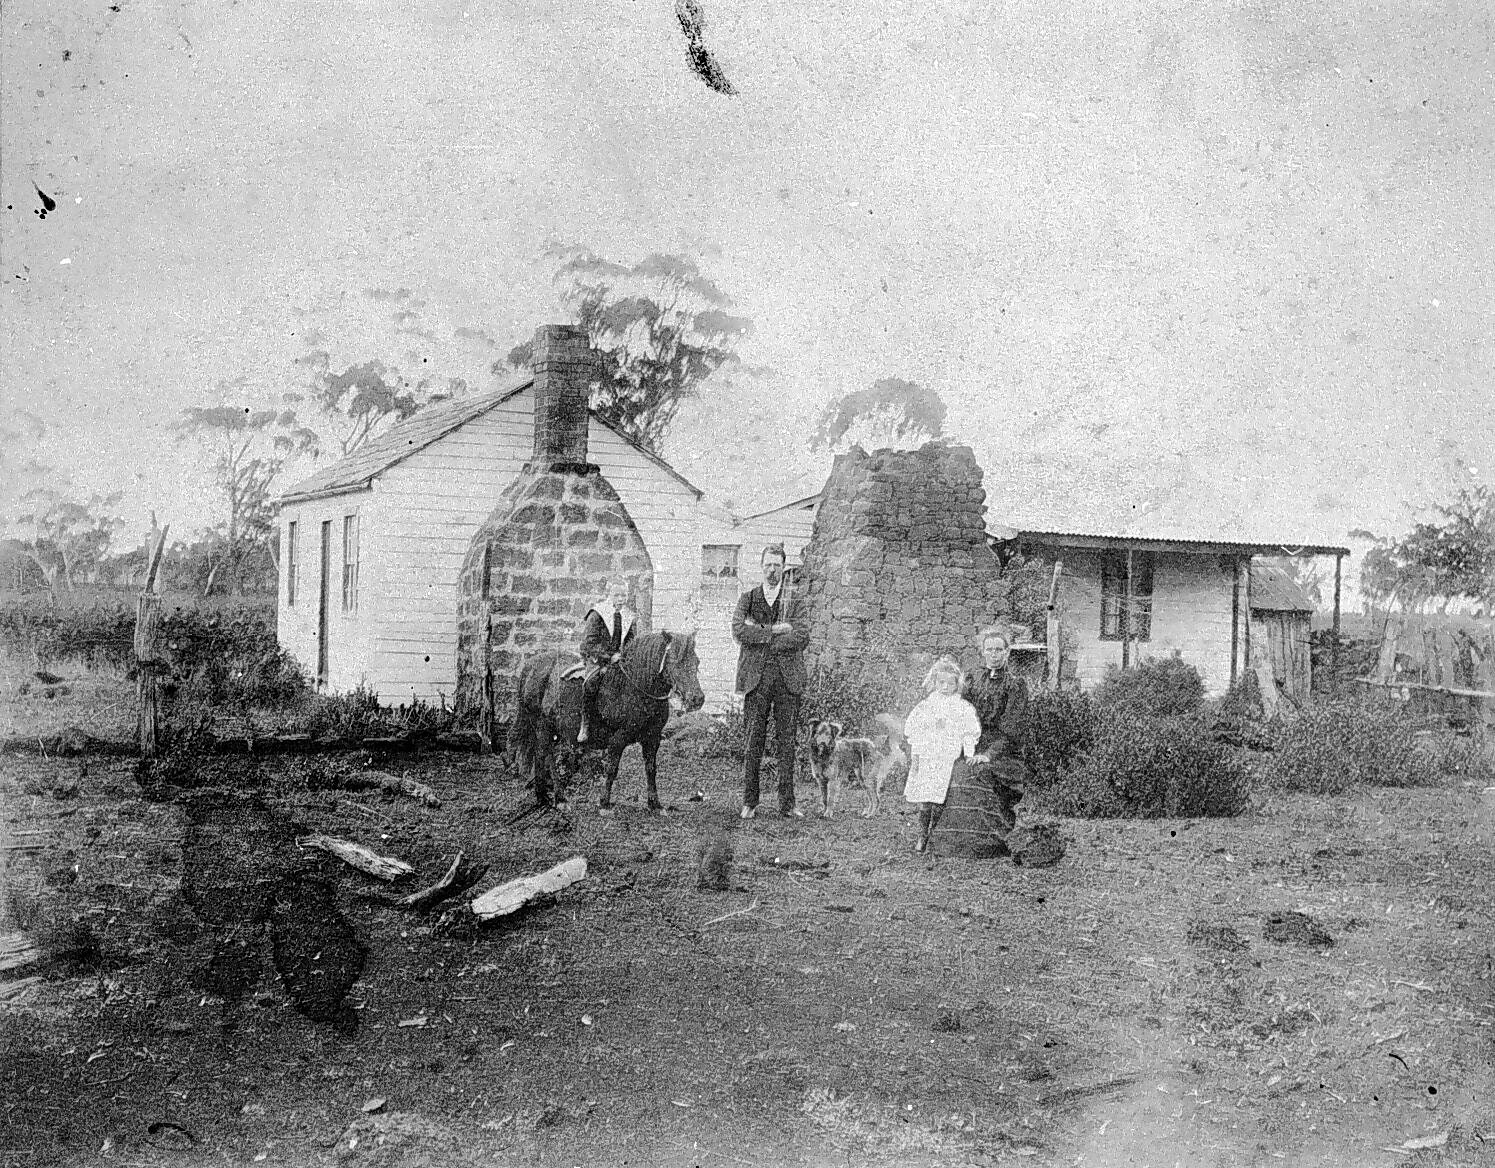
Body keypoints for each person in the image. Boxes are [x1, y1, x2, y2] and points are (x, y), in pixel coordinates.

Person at [732, 544, 809, 819]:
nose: (772, 570)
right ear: (761, 567)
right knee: (753, 740)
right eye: (768, 565)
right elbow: (739, 630)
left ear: (783, 567)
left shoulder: (794, 600)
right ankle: (750, 802)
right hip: (757, 679)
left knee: (787, 742)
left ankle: (787, 804)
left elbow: (802, 635)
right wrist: (775, 630)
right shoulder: (749, 598)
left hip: (788, 679)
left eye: (777, 565)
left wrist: (761, 636)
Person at [902, 656, 982, 853]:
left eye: (950, 683)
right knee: (925, 799)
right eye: (941, 682)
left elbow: (969, 732)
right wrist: (916, 754)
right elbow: (914, 730)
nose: (945, 687)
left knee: (940, 798)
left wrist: (969, 753)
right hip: (927, 756)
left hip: (947, 758)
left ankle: (934, 834)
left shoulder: (962, 707)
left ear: (957, 684)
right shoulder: (926, 706)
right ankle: (922, 835)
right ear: (935, 682)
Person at [577, 577, 637, 743]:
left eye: (624, 595)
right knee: (591, 683)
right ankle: (585, 723)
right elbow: (588, 644)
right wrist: (609, 656)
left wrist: (625, 654)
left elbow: (631, 640)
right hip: (597, 658)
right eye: (617, 595)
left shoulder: (628, 616)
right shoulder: (597, 614)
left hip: (620, 660)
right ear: (609, 594)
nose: (620, 599)